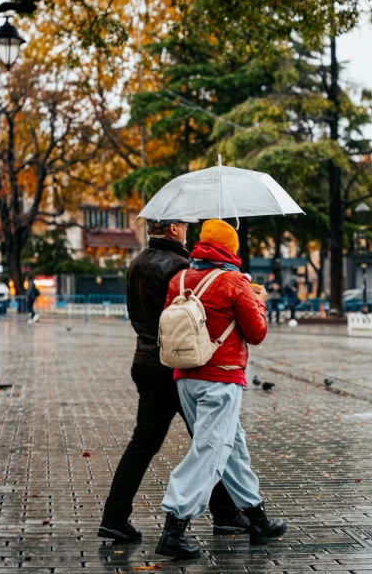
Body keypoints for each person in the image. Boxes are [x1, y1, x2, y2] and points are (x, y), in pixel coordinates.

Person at [98, 217, 247, 543]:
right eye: (183, 224)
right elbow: (193, 319)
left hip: (145, 360)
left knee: (145, 443)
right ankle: (223, 517)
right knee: (210, 441)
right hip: (178, 364)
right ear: (173, 228)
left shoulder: (136, 263)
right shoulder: (180, 266)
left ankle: (114, 517)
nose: (187, 230)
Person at [155, 219, 287, 560]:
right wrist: (259, 300)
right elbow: (256, 333)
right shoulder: (234, 281)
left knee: (232, 447)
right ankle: (174, 526)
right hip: (222, 377)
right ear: (231, 249)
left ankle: (256, 517)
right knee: (211, 449)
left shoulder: (180, 278)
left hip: (185, 375)